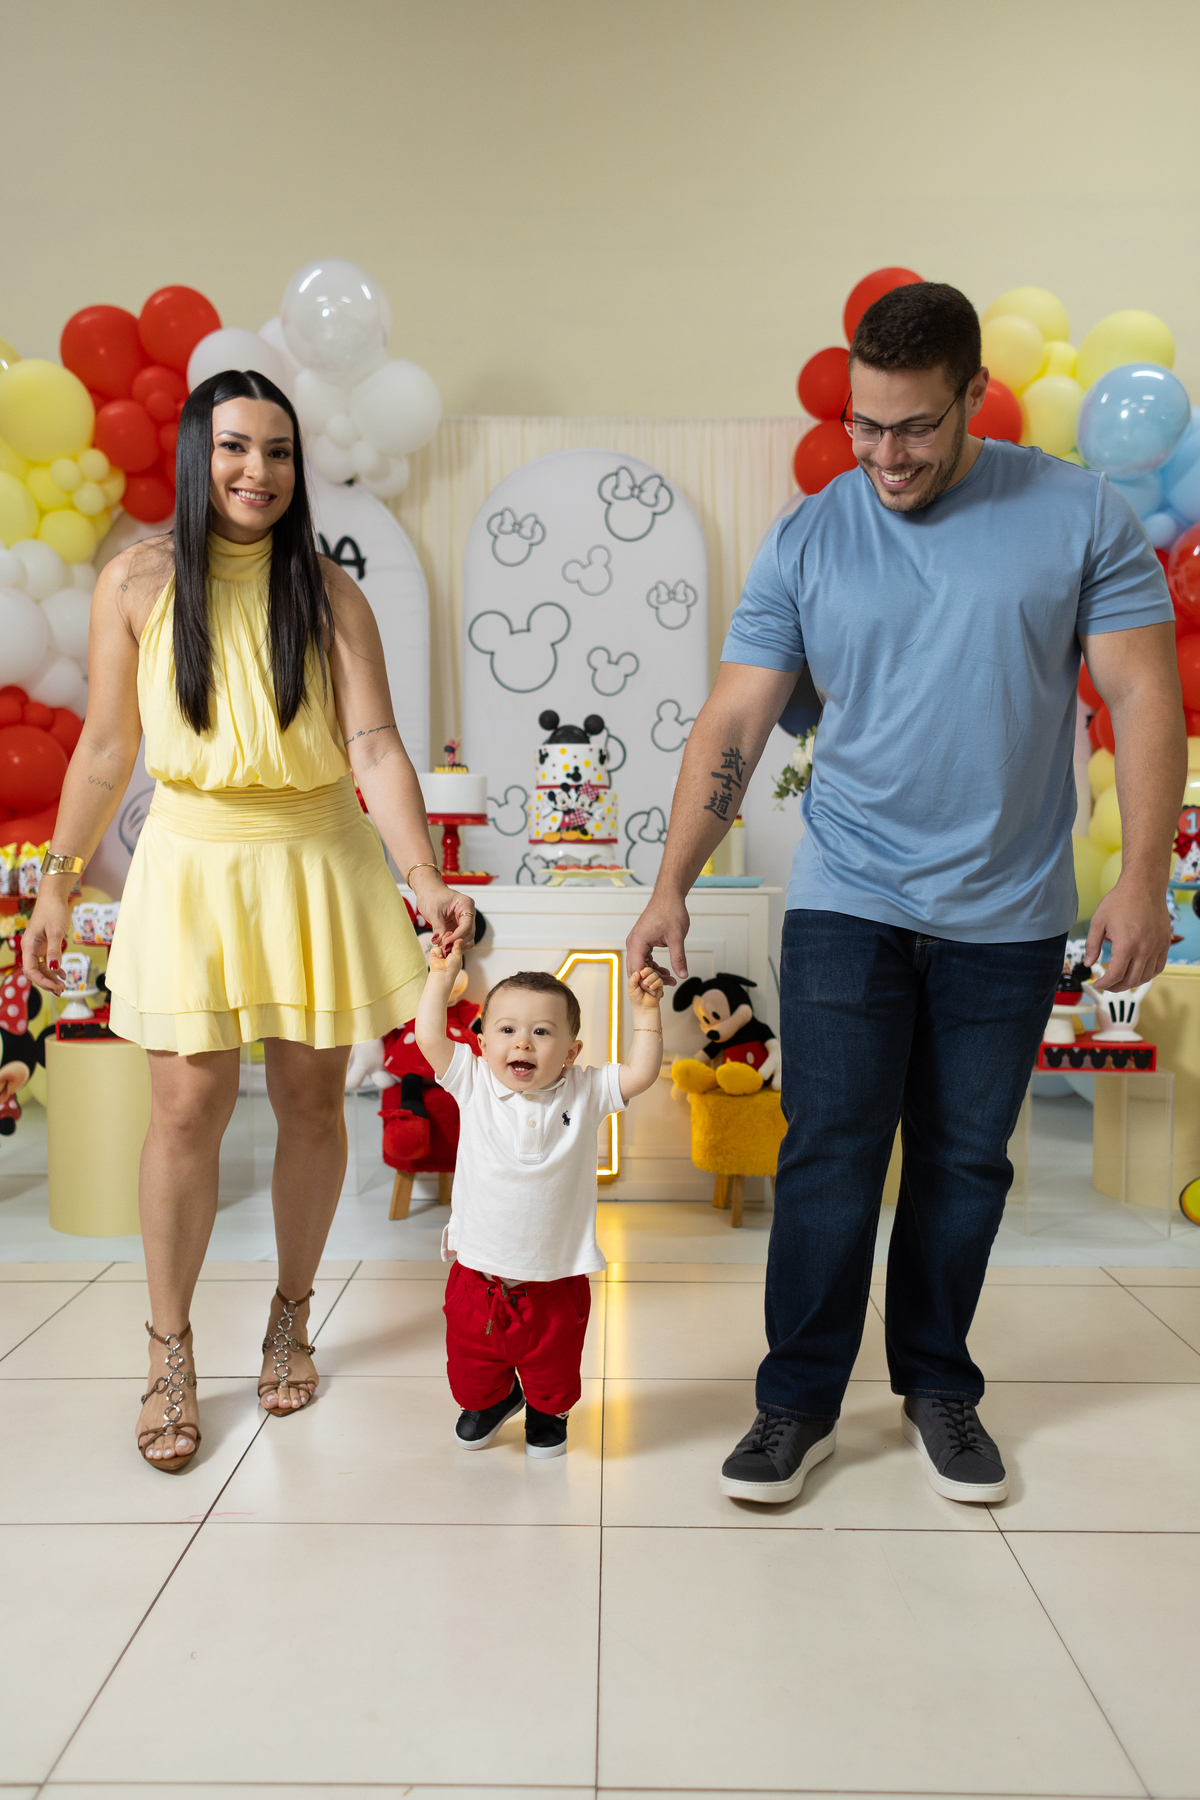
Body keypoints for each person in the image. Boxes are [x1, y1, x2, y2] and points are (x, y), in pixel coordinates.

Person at [627, 282, 1184, 1507]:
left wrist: (1143, 878)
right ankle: (797, 1403)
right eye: (866, 426)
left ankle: (937, 1384)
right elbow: (735, 718)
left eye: (916, 426)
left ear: (975, 394)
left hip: (1010, 907)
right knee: (828, 1151)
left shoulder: (1077, 514)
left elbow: (1145, 693)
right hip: (849, 892)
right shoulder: (809, 535)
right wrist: (670, 885)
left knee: (965, 1161)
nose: (885, 455)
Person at [23, 368, 475, 1472]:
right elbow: (105, 747)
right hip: (190, 863)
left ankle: (290, 1313)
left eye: (277, 452)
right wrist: (58, 881)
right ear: (197, 454)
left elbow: (374, 745)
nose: (257, 471)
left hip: (315, 857)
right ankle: (168, 1351)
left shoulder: (327, 592)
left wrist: (424, 876)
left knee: (313, 1102)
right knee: (186, 1110)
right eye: (234, 447)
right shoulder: (135, 582)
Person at [416, 956, 664, 1457]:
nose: (523, 1043)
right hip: (478, 1273)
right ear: (482, 1045)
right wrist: (440, 977)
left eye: (541, 1032)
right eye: (507, 1029)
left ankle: (548, 1411)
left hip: (555, 1278)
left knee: (554, 1364)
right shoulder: (473, 1082)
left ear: (571, 1052)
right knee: (470, 1364)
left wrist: (646, 1011)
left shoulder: (585, 1090)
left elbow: (641, 1073)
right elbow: (428, 1037)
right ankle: (492, 1400)